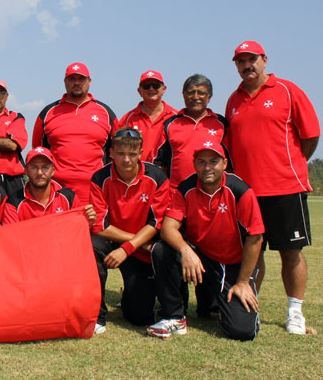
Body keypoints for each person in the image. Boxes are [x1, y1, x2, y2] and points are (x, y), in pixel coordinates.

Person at [225, 40, 320, 334]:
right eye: (241, 61)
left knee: (291, 252)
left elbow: (311, 135)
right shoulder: (233, 100)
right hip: (247, 193)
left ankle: (295, 312)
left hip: (285, 188)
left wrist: (291, 165)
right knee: (252, 254)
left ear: (264, 59)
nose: (246, 65)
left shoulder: (288, 91)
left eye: (251, 59)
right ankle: (252, 306)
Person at [149, 143, 263, 340]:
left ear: (224, 164)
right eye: (201, 162)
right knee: (161, 249)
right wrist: (185, 250)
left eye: (213, 161)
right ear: (194, 164)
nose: (207, 167)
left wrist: (244, 281)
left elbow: (255, 237)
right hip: (200, 257)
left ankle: (219, 305)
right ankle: (175, 316)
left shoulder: (240, 190)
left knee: (241, 331)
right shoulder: (186, 188)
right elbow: (168, 228)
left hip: (230, 264)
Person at [89, 127, 170, 334]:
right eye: (121, 154)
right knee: (91, 245)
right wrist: (134, 243)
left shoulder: (157, 177)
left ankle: (131, 296)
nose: (126, 160)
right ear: (111, 154)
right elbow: (99, 225)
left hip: (139, 247)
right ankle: (96, 315)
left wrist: (128, 248)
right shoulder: (99, 177)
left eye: (132, 154)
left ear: (141, 153)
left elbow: (156, 223)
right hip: (119, 242)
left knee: (139, 317)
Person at [32, 62, 117, 204]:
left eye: (81, 79)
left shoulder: (105, 112)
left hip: (95, 192)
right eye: (72, 79)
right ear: (65, 82)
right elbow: (38, 153)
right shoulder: (48, 112)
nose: (76, 83)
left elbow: (118, 151)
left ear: (89, 81)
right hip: (57, 194)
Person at [154, 74, 229, 188]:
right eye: (190, 92)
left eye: (201, 93)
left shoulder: (221, 124)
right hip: (176, 193)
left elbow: (230, 164)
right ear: (183, 95)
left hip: (211, 193)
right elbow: (159, 163)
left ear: (209, 96)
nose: (195, 97)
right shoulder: (170, 124)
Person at [2, 146, 91, 223]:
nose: (40, 172)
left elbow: (78, 230)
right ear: (26, 171)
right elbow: (11, 238)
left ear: (53, 171)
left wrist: (89, 221)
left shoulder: (69, 197)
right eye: (34, 167)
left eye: (45, 167)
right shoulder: (13, 203)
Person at [116, 70, 177, 162]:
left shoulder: (176, 118)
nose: (151, 89)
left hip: (166, 174)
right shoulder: (127, 119)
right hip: (135, 174)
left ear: (164, 89)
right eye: (146, 86)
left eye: (155, 85)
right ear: (139, 91)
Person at [0, 78, 28, 196]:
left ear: (7, 96)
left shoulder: (15, 116)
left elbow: (13, 145)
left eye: (0, 93)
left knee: (17, 212)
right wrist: (3, 141)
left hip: (14, 179)